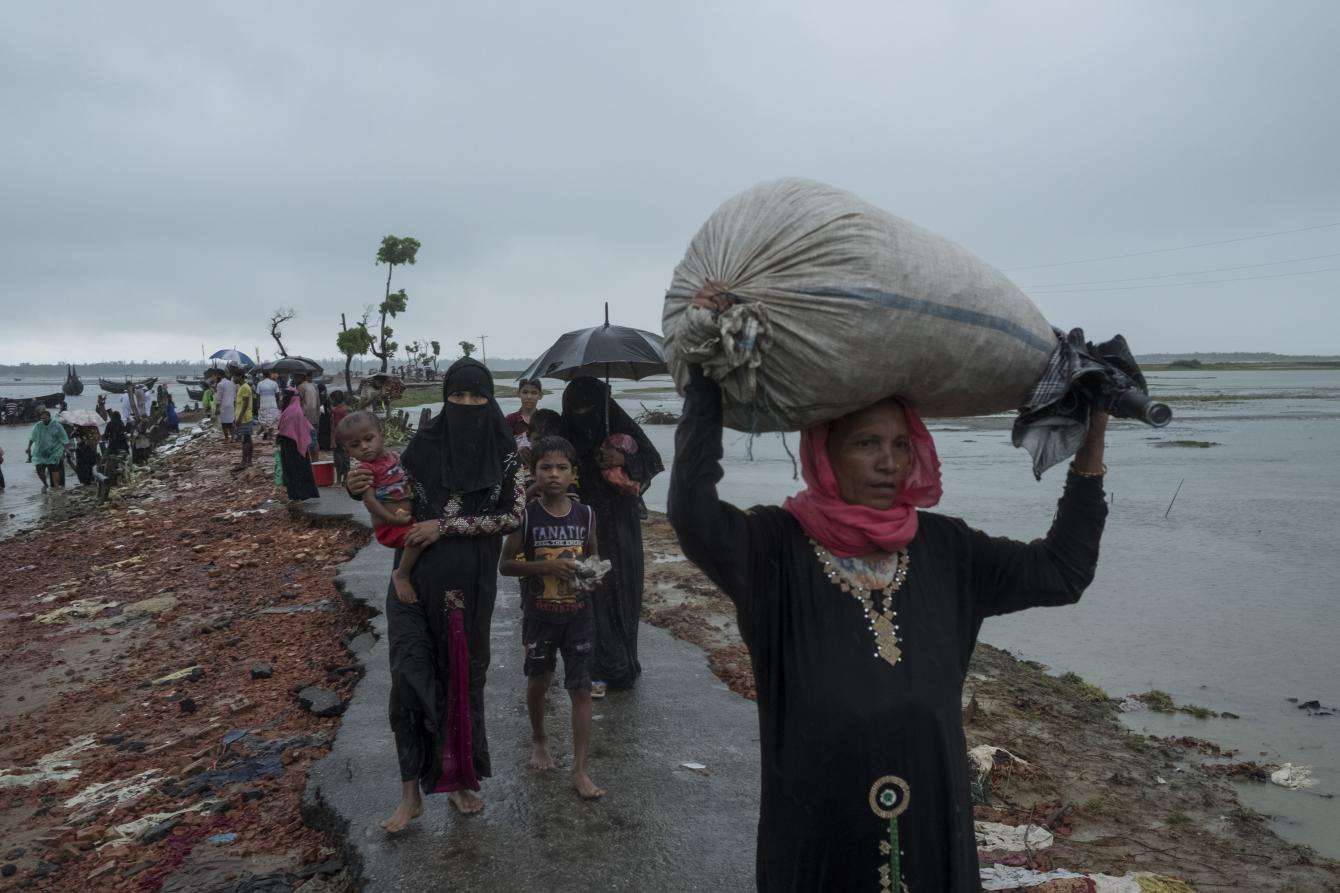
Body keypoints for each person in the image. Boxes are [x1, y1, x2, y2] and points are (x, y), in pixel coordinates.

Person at [667, 310, 1110, 891]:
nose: (889, 461)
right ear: (823, 453)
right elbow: (693, 511)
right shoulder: (773, 547)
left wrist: (1093, 440)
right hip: (818, 826)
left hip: (932, 820)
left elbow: (1062, 571)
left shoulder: (947, 548)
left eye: (902, 444)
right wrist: (704, 382)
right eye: (866, 443)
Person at [344, 358, 523, 831]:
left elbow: (513, 517)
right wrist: (356, 487)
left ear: (489, 399)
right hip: (412, 582)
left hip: (470, 586)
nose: (465, 405)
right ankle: (410, 793)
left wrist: (446, 525)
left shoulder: (506, 455)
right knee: (408, 678)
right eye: (457, 396)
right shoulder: (423, 445)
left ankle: (461, 779)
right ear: (445, 398)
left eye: (476, 396)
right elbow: (391, 493)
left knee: (461, 681)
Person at [500, 435, 604, 800]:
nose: (554, 475)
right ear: (534, 473)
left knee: (580, 690)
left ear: (574, 474)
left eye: (562, 468)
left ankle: (579, 769)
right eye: (546, 468)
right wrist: (547, 565)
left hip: (579, 616)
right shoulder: (524, 518)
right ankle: (539, 739)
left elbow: (593, 560)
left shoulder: (586, 515)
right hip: (540, 617)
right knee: (539, 682)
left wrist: (590, 577)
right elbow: (506, 565)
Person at [561, 378, 663, 695]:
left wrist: (624, 459)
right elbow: (551, 469)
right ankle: (596, 668)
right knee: (591, 594)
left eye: (590, 408)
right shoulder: (564, 435)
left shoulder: (620, 428)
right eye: (576, 409)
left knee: (624, 593)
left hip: (621, 524)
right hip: (582, 524)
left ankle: (625, 663)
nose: (583, 415)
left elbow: (653, 460)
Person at [338, 410, 419, 602]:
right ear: (347, 451)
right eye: (355, 445)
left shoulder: (395, 457)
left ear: (381, 433)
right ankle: (401, 574)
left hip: (404, 519)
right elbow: (370, 502)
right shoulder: (366, 471)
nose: (365, 447)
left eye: (369, 439)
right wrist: (393, 519)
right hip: (389, 526)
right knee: (417, 540)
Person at [275, 388, 319, 501]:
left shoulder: (292, 412)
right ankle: (300, 493)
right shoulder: (293, 410)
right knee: (298, 470)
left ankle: (298, 494)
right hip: (293, 445)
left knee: (294, 470)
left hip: (292, 446)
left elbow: (287, 431)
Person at [27, 409, 69, 490]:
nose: (43, 420)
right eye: (42, 418)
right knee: (39, 470)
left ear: (49, 417)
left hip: (54, 452)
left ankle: (56, 487)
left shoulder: (57, 426)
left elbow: (64, 438)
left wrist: (65, 450)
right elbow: (32, 437)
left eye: (45, 418)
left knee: (54, 470)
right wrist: (28, 447)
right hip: (40, 452)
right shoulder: (38, 425)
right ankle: (45, 484)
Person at [232, 370, 255, 470]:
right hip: (245, 417)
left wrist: (240, 418)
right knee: (248, 440)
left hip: (244, 418)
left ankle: (243, 462)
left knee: (245, 441)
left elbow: (245, 405)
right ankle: (248, 461)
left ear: (240, 376)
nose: (233, 378)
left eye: (235, 376)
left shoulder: (245, 387)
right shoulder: (242, 387)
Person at [295, 373, 321, 458]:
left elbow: (299, 404)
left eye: (296, 377)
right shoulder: (314, 386)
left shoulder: (300, 387)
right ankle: (315, 458)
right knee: (314, 439)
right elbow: (318, 403)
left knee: (306, 439)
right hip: (315, 416)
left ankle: (308, 458)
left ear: (301, 377)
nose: (294, 379)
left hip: (305, 417)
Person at [329, 390, 351, 483]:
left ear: (335, 399)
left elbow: (334, 426)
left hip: (340, 438)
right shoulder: (345, 409)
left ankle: (340, 479)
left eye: (332, 399)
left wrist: (332, 439)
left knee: (339, 460)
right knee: (344, 459)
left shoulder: (339, 410)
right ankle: (344, 479)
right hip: (344, 438)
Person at [256, 371, 281, 439]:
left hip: (263, 404)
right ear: (270, 375)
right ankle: (270, 436)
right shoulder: (274, 383)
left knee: (263, 420)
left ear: (263, 375)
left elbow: (258, 396)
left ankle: (265, 431)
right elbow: (278, 396)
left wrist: (258, 405)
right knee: (271, 421)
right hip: (273, 404)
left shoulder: (260, 383)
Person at [215, 369, 238, 441]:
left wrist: (217, 408)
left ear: (219, 375)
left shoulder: (220, 384)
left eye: (216, 376)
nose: (215, 378)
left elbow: (219, 398)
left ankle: (226, 437)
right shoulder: (232, 384)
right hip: (231, 405)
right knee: (231, 422)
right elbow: (234, 396)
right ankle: (233, 437)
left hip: (223, 406)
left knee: (224, 423)